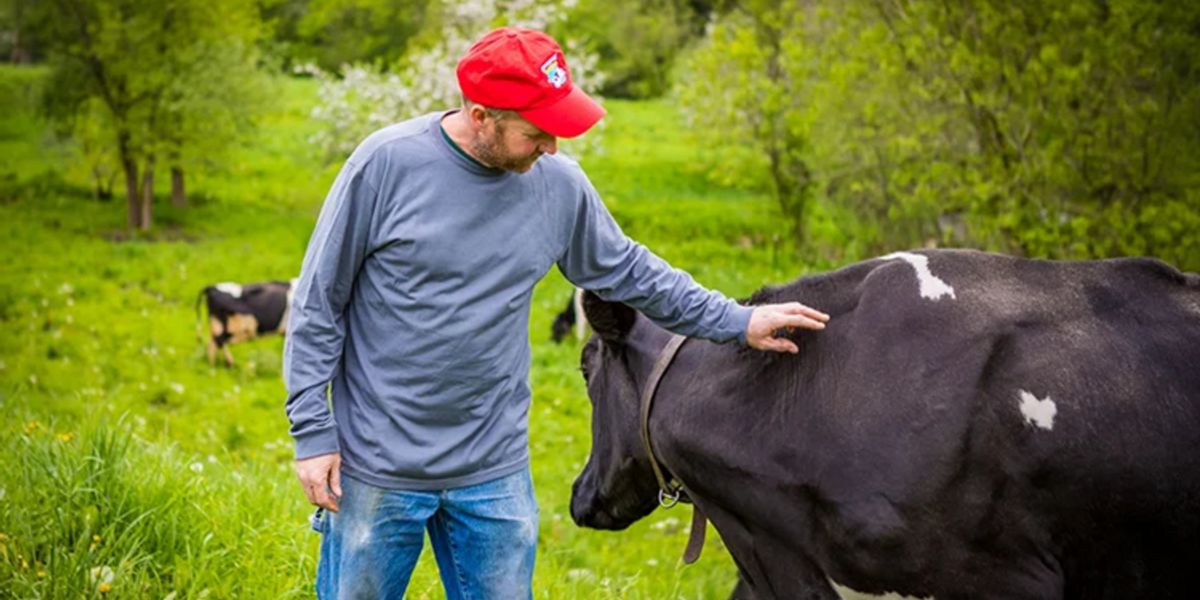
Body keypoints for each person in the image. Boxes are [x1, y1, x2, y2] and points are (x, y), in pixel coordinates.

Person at [283, 26, 831, 600]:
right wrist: (312, 432)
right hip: (377, 466)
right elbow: (320, 302)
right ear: (479, 115)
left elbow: (633, 273)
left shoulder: (558, 186)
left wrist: (738, 322)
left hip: (491, 468)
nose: (552, 147)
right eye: (536, 132)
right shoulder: (385, 165)